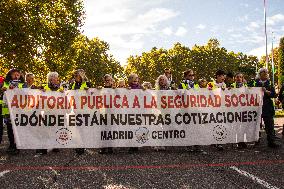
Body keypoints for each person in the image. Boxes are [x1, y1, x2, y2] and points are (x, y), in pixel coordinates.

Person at [250, 68, 280, 148]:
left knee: (269, 125)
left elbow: (274, 95)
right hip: (257, 107)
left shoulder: (269, 84)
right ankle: (256, 141)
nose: (265, 75)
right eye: (263, 73)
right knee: (256, 125)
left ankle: (271, 141)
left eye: (266, 73)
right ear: (259, 75)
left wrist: (267, 92)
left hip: (267, 107)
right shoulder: (254, 83)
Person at [36, 72, 64, 156]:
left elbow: (64, 98)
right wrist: (41, 91)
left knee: (56, 129)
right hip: (47, 112)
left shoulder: (60, 88)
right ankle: (43, 148)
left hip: (56, 112)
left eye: (57, 77)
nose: (57, 79)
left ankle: (55, 145)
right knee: (45, 130)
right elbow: (38, 96)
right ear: (51, 78)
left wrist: (63, 93)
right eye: (55, 77)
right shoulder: (44, 87)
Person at [1, 68, 25, 155]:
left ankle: (18, 145)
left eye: (18, 75)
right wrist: (3, 89)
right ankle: (12, 145)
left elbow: (27, 94)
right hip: (7, 110)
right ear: (10, 75)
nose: (16, 76)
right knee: (10, 129)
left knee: (18, 129)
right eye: (14, 74)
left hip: (18, 110)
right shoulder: (5, 84)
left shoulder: (23, 84)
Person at [69, 69, 91, 155]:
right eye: (74, 75)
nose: (75, 77)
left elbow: (93, 95)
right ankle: (79, 146)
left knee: (84, 129)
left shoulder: (87, 84)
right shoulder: (73, 84)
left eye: (76, 75)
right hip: (76, 109)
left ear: (81, 75)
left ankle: (83, 145)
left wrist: (88, 91)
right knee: (77, 128)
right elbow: (69, 95)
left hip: (85, 110)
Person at [207, 70, 226, 151]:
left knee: (220, 124)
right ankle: (213, 141)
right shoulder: (210, 84)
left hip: (221, 108)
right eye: (222, 76)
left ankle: (219, 142)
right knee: (213, 124)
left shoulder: (224, 85)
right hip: (212, 107)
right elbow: (205, 93)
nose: (223, 77)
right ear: (218, 76)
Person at [98, 74, 115, 154]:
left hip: (111, 112)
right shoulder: (101, 89)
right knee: (103, 129)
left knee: (110, 129)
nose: (108, 82)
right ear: (104, 81)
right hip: (103, 112)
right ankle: (103, 147)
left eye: (110, 80)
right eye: (107, 80)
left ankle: (110, 147)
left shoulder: (115, 89)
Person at [230, 72, 248, 149]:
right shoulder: (231, 86)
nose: (239, 78)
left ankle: (242, 141)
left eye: (240, 77)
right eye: (237, 77)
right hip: (235, 109)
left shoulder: (246, 86)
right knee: (236, 126)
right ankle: (238, 142)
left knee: (243, 126)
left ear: (242, 78)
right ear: (235, 78)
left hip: (243, 109)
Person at [128, 73, 142, 153]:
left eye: (137, 79)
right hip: (130, 111)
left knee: (137, 128)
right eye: (134, 79)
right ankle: (131, 146)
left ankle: (136, 146)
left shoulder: (140, 88)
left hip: (138, 111)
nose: (136, 80)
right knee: (131, 128)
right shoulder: (128, 88)